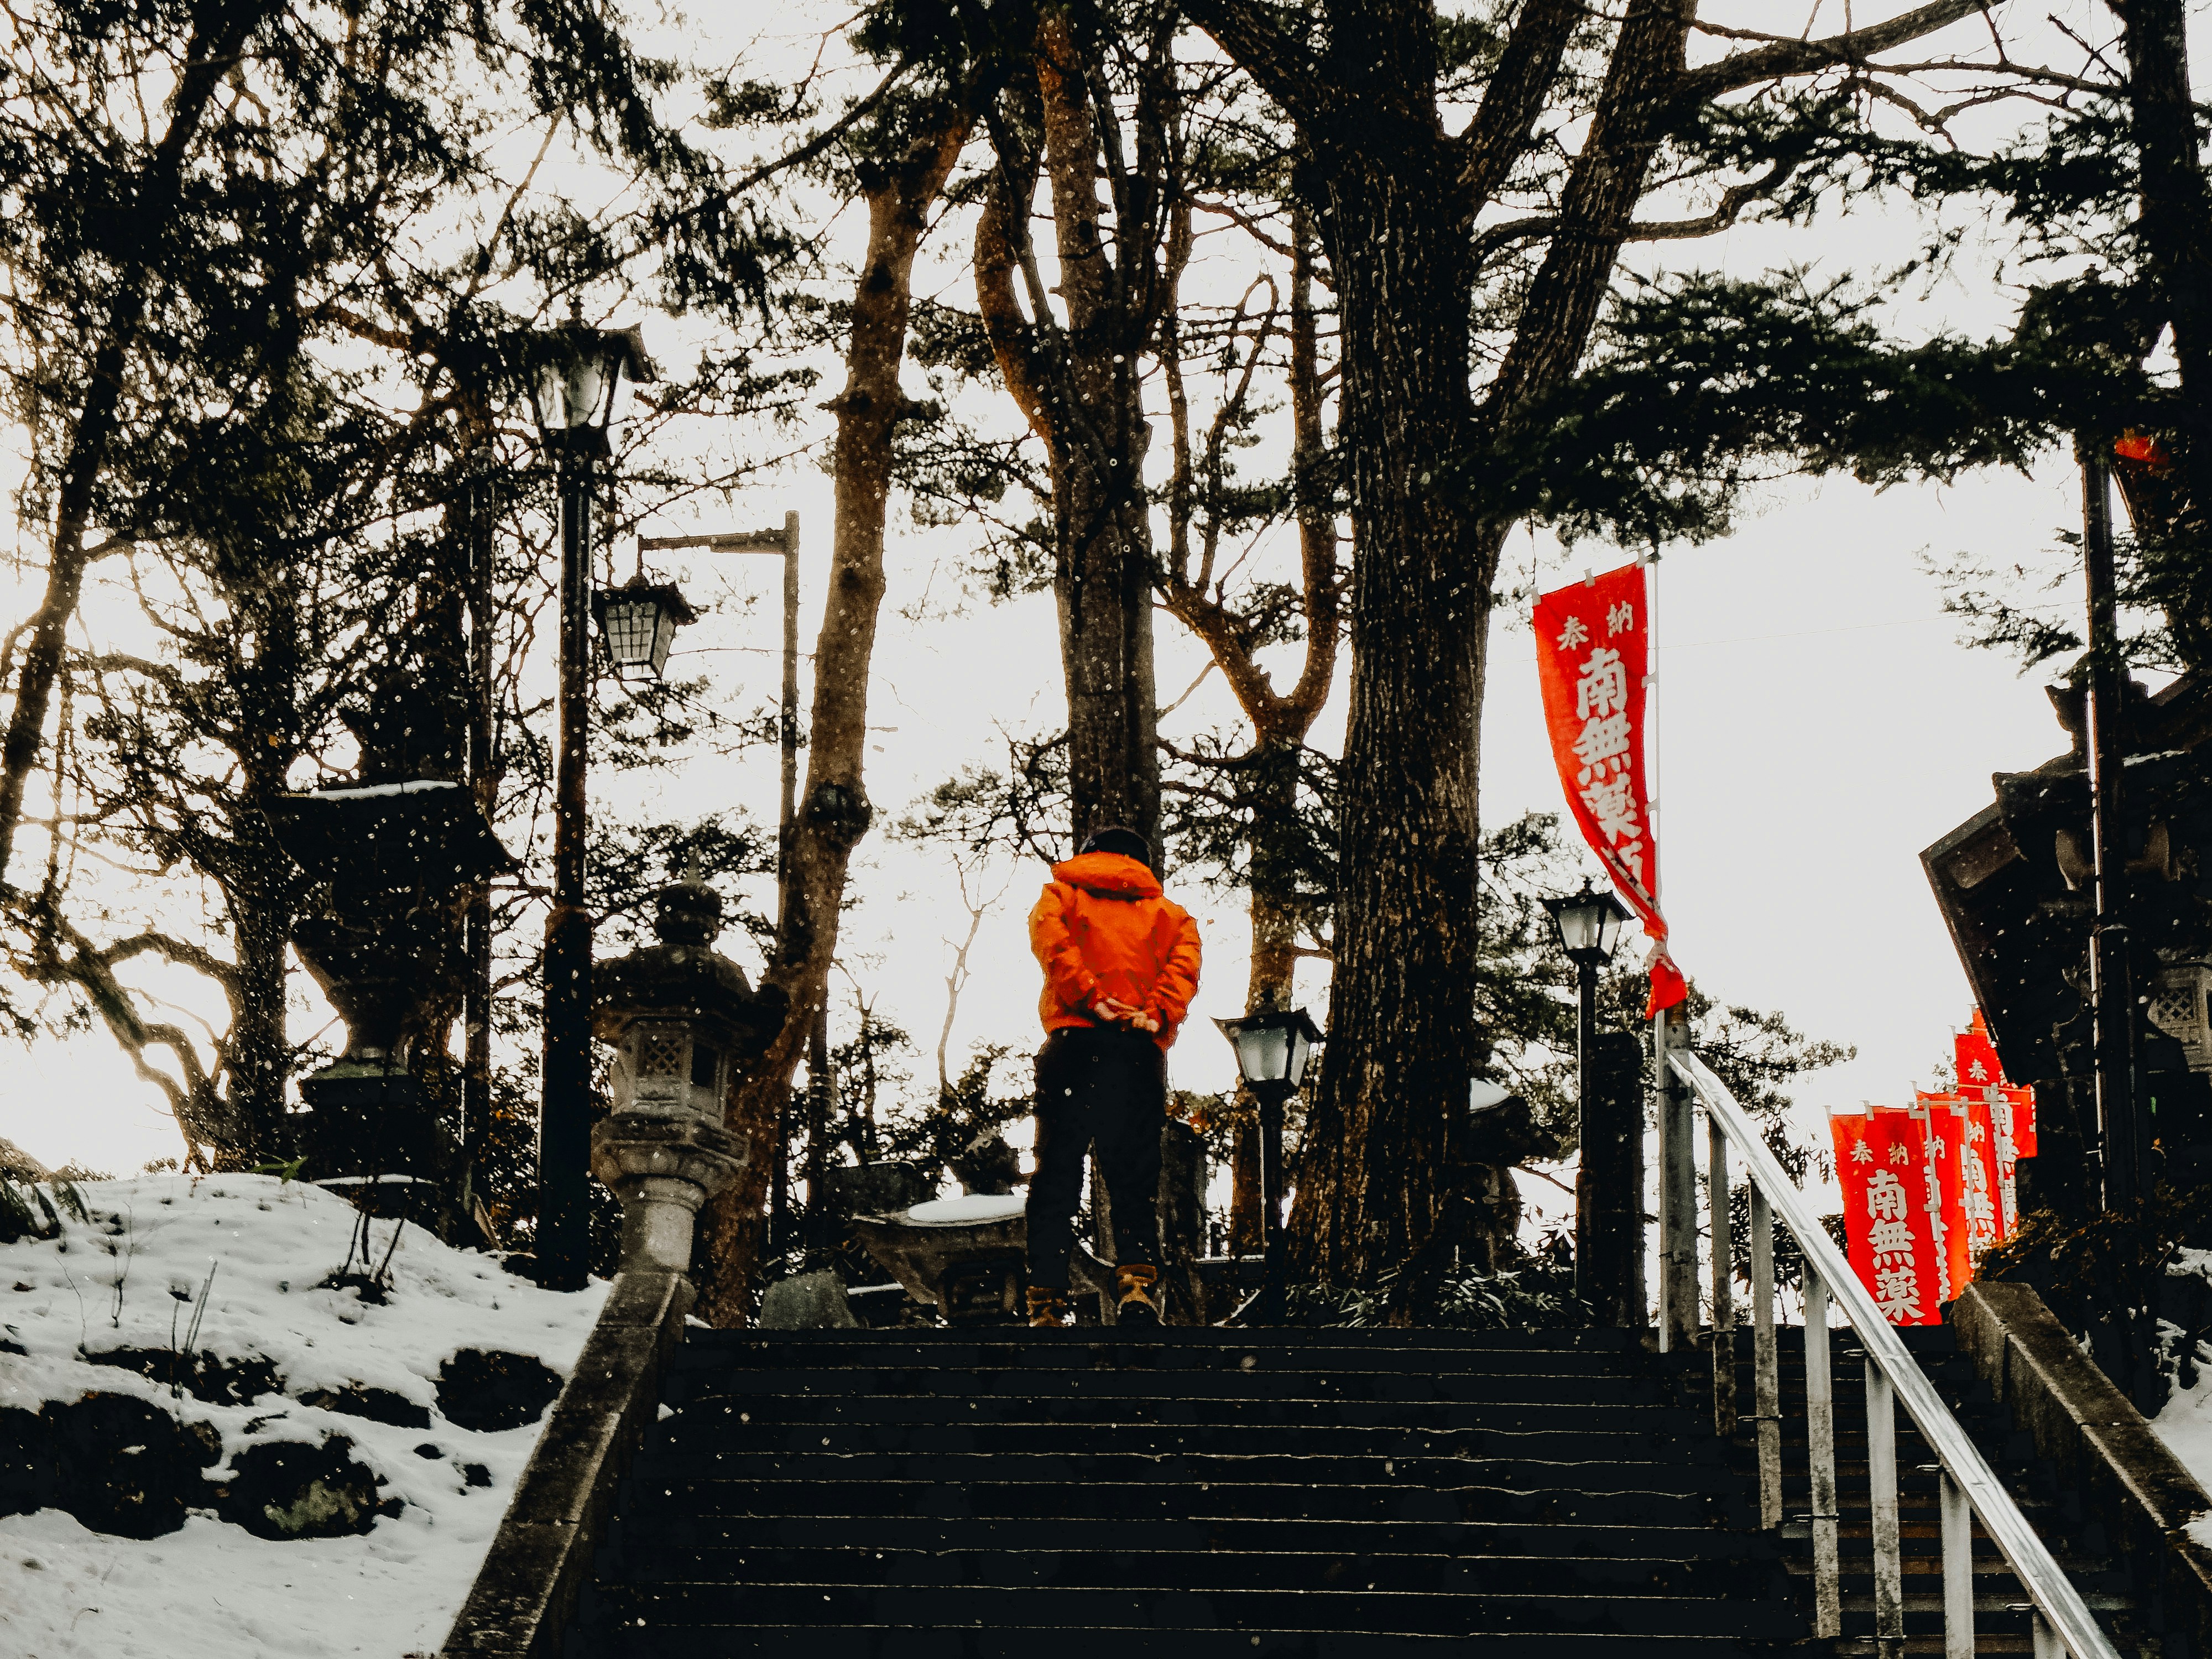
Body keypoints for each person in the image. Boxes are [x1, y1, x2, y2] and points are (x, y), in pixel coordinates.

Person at [1024, 825, 1201, 1327]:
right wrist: (1153, 1013)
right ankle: (1137, 1288)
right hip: (1136, 1051)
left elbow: (1055, 947)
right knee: (1134, 1176)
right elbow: (1183, 968)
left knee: (1057, 1172)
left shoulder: (1059, 895)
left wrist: (1090, 997)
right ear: (1143, 862)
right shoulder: (1172, 916)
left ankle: (1047, 1302)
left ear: (1089, 855)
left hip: (1072, 1045)